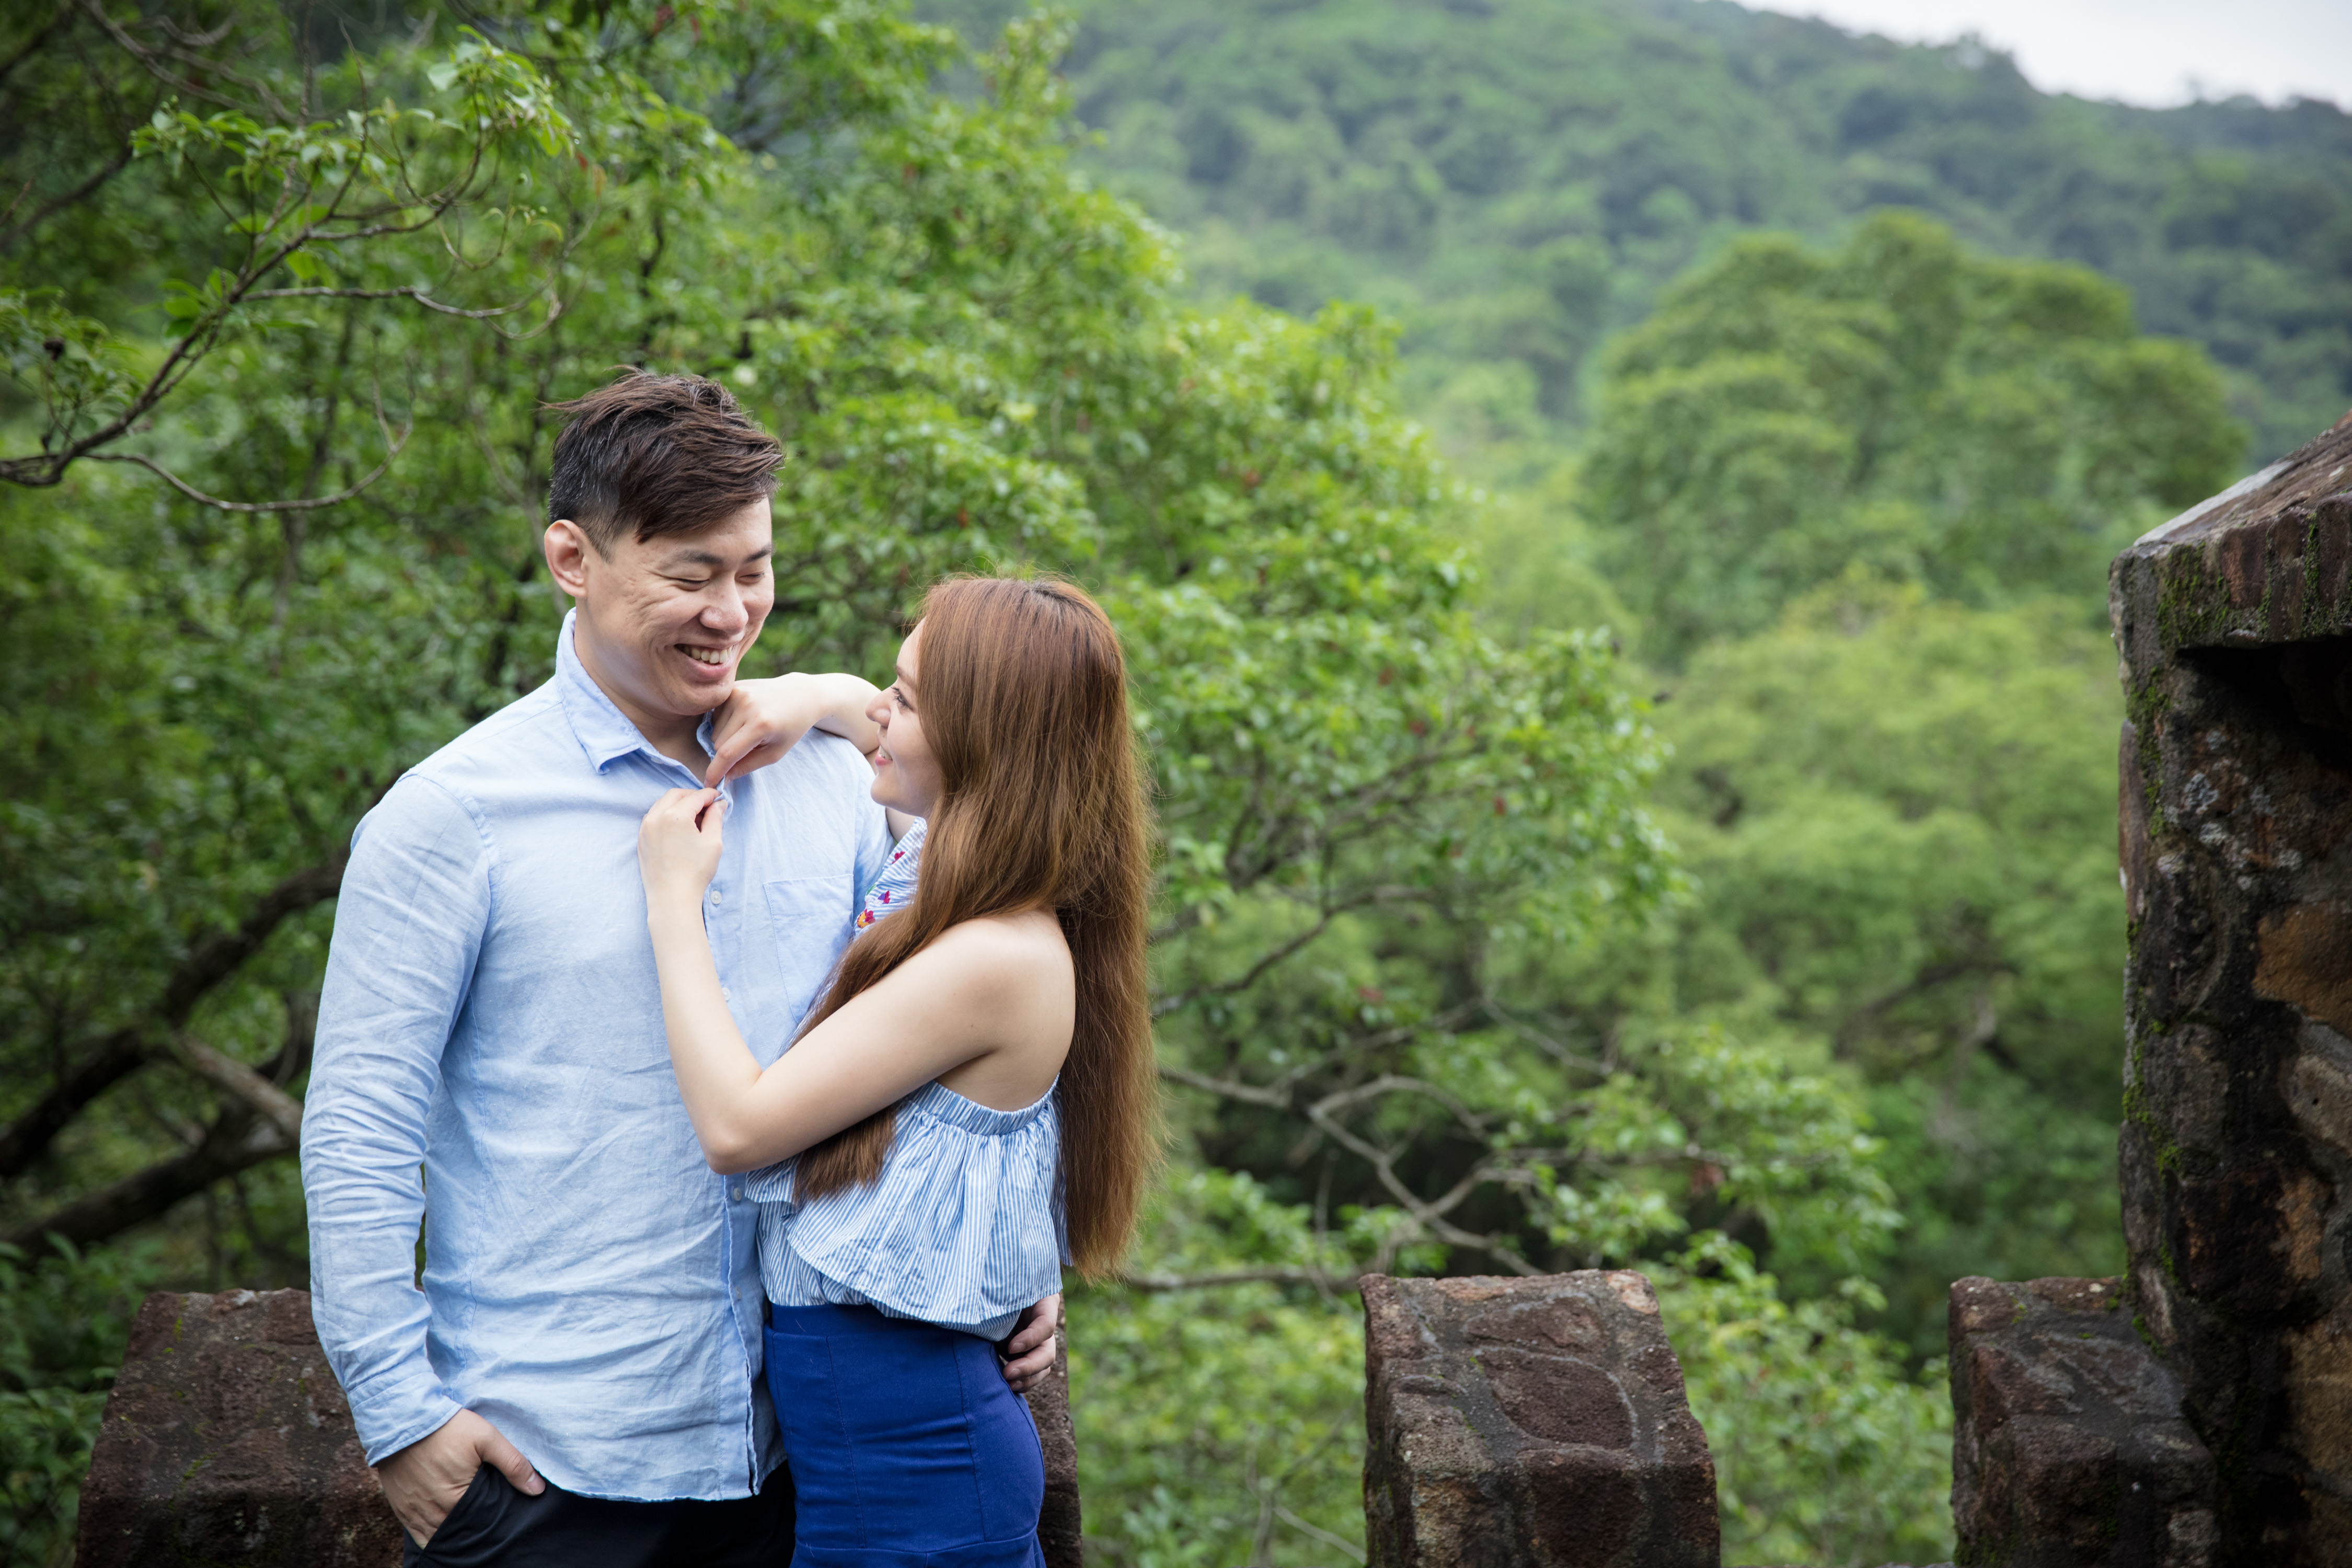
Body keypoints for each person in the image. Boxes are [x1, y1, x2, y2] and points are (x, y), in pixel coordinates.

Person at [299, 373, 1064, 1567]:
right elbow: (359, 1129)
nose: (731, 612)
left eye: (754, 570)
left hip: (796, 1466)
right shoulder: (454, 816)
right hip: (547, 1468)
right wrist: (402, 1418)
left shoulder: (836, 783)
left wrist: (1008, 1250)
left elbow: (978, 1015)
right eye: (692, 575)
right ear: (573, 558)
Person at [636, 575, 1159, 1567]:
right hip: (876, 1469)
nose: (876, 709)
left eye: (906, 700)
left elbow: (738, 1129)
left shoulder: (996, 954)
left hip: (923, 1485)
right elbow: (855, 709)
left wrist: (672, 902)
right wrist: (804, 696)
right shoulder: (944, 876)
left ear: (982, 743)